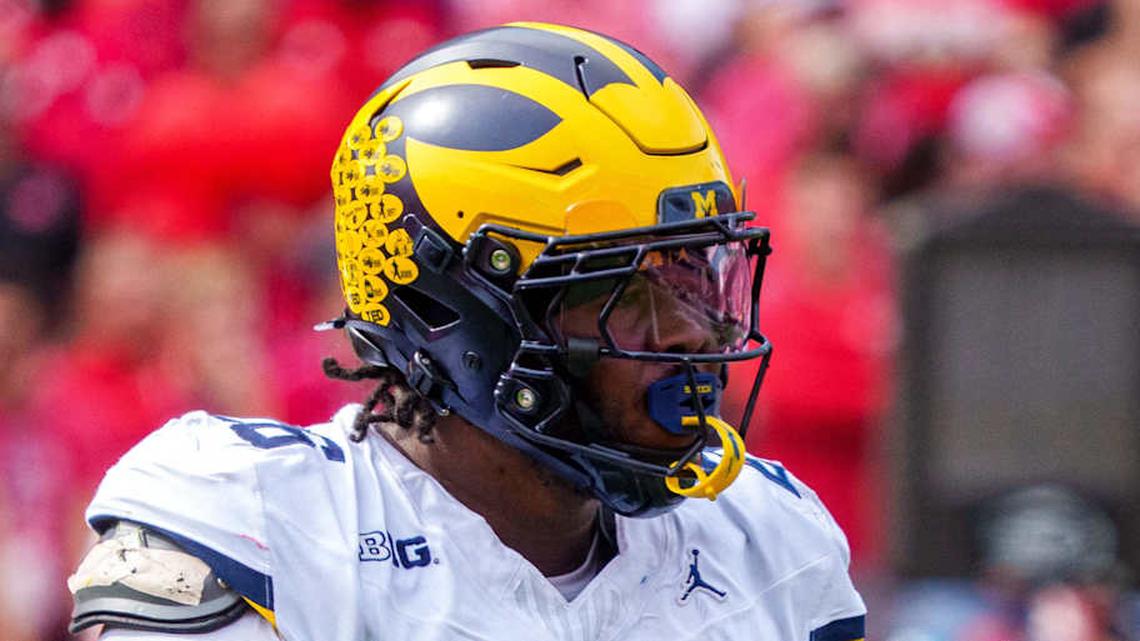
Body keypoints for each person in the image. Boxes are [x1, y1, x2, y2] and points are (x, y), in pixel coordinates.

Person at [66, 23, 866, 641]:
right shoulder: (254, 520)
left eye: (696, 276)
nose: (690, 334)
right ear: (457, 313)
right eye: (625, 291)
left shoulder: (764, 536)